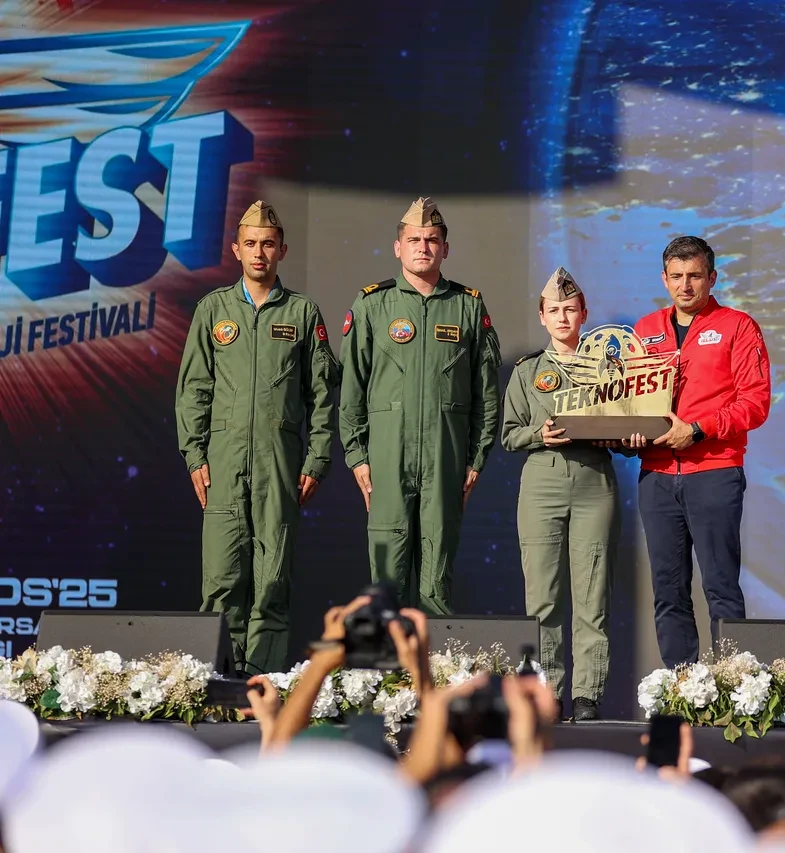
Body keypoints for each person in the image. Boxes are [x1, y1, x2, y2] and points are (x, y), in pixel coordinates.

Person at [175, 201, 338, 674]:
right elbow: (193, 390)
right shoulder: (213, 310)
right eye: (250, 244)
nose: (259, 253)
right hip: (224, 460)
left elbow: (323, 395)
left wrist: (317, 460)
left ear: (282, 250)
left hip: (280, 462)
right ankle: (217, 678)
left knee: (272, 578)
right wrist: (194, 455)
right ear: (236, 250)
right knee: (222, 577)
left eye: (268, 244)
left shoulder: (303, 313)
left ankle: (261, 682)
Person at [339, 197, 502, 614]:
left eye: (432, 240)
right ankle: (385, 678)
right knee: (386, 584)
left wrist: (475, 460)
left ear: (446, 248)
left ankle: (432, 675)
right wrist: (357, 455)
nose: (423, 247)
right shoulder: (373, 304)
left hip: (444, 460)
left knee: (436, 583)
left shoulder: (468, 306)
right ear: (398, 247)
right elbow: (351, 387)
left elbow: (486, 393)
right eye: (414, 239)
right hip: (387, 460)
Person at [632, 236, 771, 668]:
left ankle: (733, 688)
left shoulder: (737, 326)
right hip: (656, 476)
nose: (685, 285)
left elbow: (755, 402)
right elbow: (625, 401)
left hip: (714, 471)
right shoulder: (644, 329)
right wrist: (628, 435)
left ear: (712, 277)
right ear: (664, 279)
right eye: (677, 277)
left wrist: (697, 430)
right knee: (668, 590)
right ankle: (681, 689)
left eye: (695, 276)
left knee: (721, 587)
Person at [500, 267, 622, 722]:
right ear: (542, 316)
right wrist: (539, 433)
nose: (564, 317)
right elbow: (509, 435)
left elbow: (630, 423)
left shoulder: (612, 367)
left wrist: (625, 436)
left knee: (593, 595)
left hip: (594, 480)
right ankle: (547, 694)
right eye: (555, 310)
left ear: (584, 314)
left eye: (571, 309)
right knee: (543, 598)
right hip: (543, 481)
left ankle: (588, 695)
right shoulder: (528, 371)